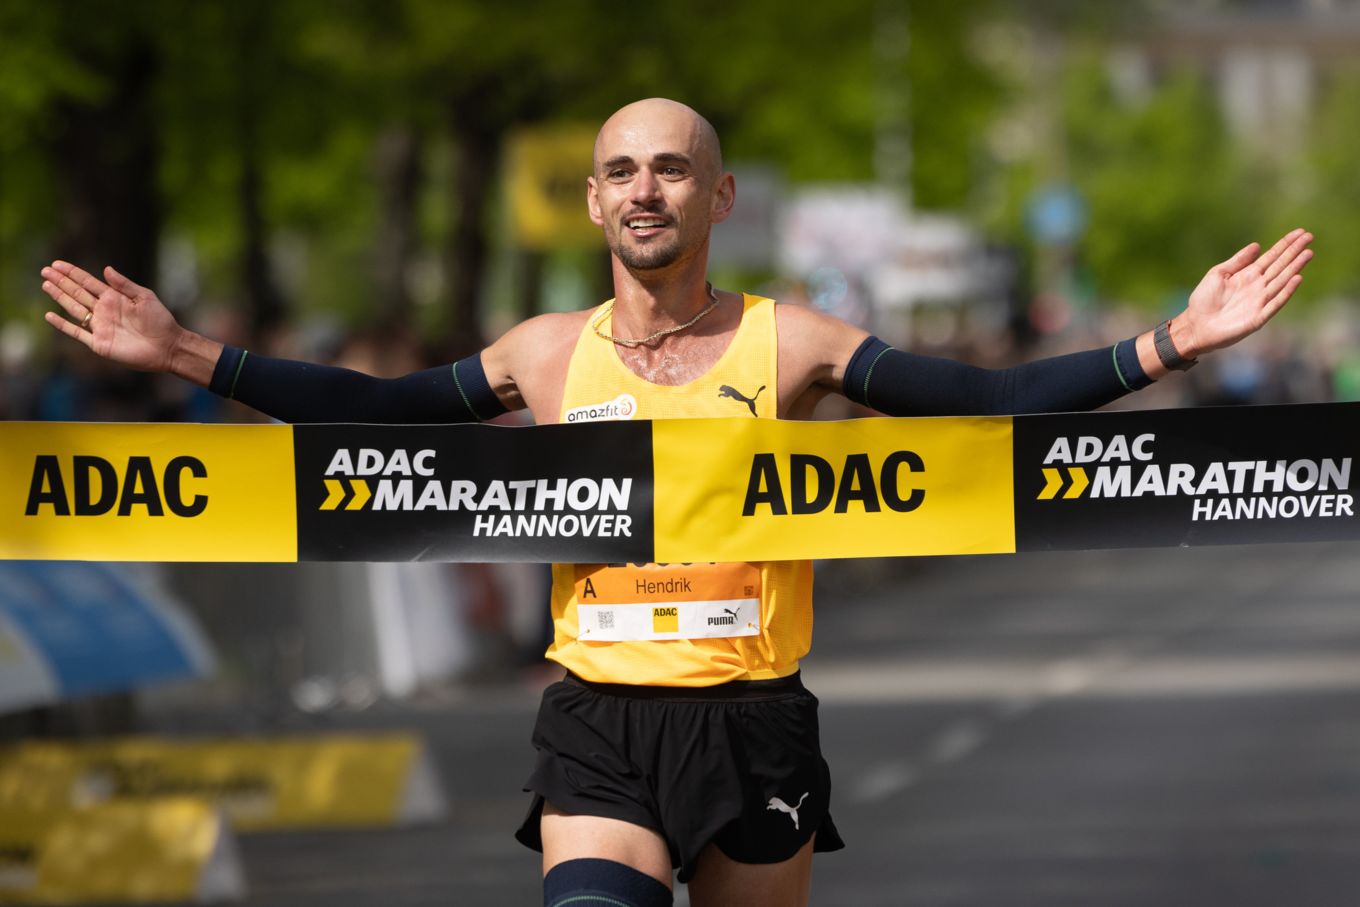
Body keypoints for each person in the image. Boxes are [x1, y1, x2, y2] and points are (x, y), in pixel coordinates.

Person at [40, 98, 1313, 907]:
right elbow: (382, 414)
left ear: (718, 198)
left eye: (670, 169)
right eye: (619, 171)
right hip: (596, 719)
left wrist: (1170, 344)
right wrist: (191, 355)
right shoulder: (544, 351)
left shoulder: (797, 342)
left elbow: (988, 400)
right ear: (594, 200)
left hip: (752, 720)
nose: (642, 188)